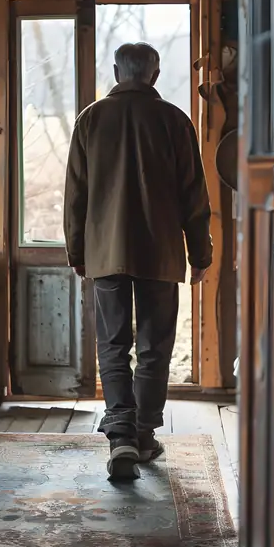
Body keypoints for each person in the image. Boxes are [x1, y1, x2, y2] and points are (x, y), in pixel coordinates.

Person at [64, 42, 212, 480]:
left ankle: (121, 436)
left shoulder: (89, 120)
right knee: (154, 346)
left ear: (115, 71)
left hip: (106, 253)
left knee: (111, 346)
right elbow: (194, 196)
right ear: (156, 73)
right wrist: (199, 253)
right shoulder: (175, 121)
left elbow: (76, 196)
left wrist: (77, 251)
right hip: (160, 252)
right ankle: (144, 435)